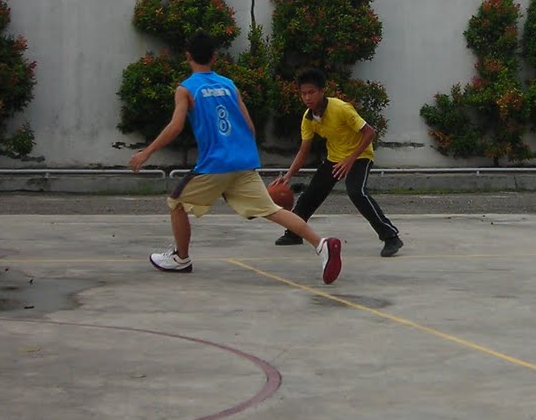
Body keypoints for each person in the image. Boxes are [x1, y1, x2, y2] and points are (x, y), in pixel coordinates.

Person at [130, 33, 342, 285]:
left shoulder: (186, 89)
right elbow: (248, 125)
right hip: (243, 160)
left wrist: (147, 152)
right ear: (214, 57)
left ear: (187, 57)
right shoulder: (229, 85)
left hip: (215, 163)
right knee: (272, 210)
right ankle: (321, 244)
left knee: (176, 202)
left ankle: (181, 258)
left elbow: (176, 127)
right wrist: (245, 153)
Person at [270, 68, 403, 258]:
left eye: (311, 92)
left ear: (322, 91)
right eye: (303, 93)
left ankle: (391, 236)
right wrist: (288, 176)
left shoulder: (341, 108)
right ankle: (294, 233)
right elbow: (303, 150)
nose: (307, 97)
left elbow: (369, 132)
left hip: (360, 156)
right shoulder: (308, 118)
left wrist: (350, 159)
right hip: (335, 159)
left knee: (357, 192)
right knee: (312, 193)